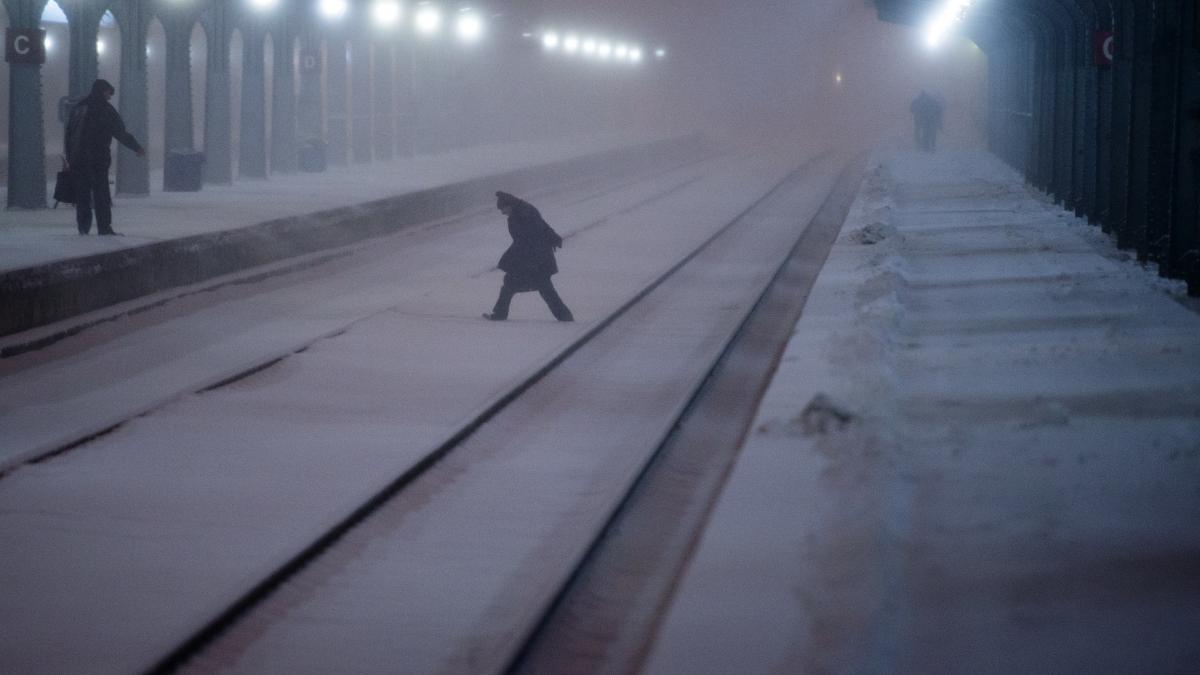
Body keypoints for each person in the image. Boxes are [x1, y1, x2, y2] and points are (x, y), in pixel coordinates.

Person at [64, 79, 146, 235]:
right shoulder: (106, 110)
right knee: (101, 194)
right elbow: (120, 133)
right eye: (109, 93)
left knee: (83, 195)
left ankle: (83, 228)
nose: (110, 97)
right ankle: (104, 228)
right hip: (98, 159)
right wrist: (136, 147)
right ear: (103, 91)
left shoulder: (79, 108)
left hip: (79, 159)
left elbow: (69, 135)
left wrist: (70, 157)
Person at [484, 191, 574, 322]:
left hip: (535, 260)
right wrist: (553, 237)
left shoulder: (522, 214)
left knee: (515, 285)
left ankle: (499, 314)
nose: (503, 213)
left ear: (509, 205)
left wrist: (508, 258)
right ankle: (565, 318)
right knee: (543, 290)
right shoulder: (524, 210)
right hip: (537, 259)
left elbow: (525, 240)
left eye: (503, 209)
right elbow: (542, 227)